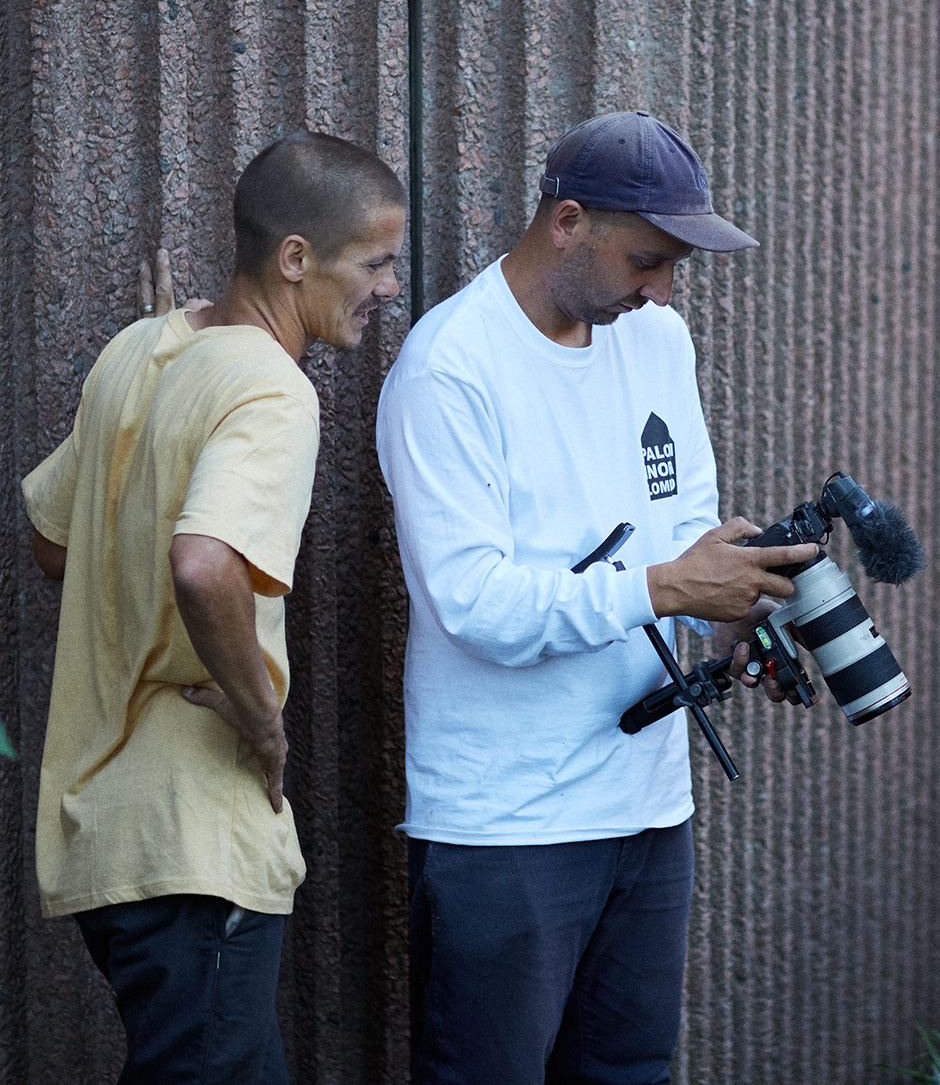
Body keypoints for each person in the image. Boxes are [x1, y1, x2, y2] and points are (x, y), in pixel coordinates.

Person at [376, 111, 817, 1085]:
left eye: (674, 268)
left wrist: (736, 604)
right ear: (566, 221)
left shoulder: (657, 340)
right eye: (646, 259)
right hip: (509, 823)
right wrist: (666, 584)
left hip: (652, 810)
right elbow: (473, 602)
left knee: (631, 1072)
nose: (661, 291)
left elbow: (681, 526)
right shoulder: (448, 369)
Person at [23, 130, 405, 1084]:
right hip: (195, 842)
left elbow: (50, 542)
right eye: (376, 262)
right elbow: (203, 565)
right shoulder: (274, 390)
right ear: (295, 259)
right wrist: (263, 718)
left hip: (105, 836)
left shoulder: (142, 349)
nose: (389, 288)